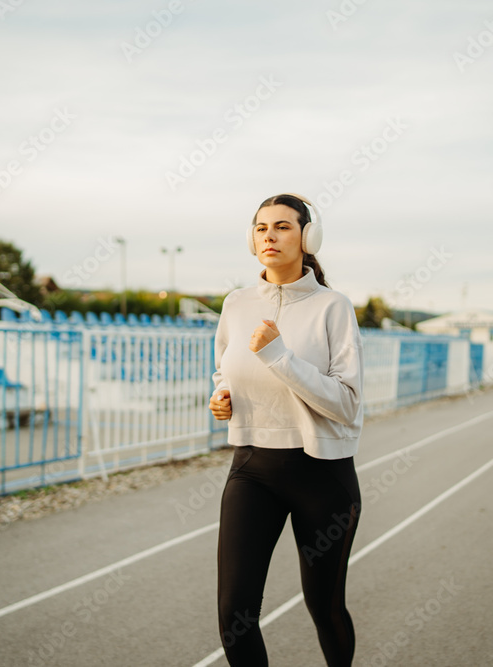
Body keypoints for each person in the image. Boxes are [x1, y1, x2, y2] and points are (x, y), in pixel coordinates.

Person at [208, 193, 365, 666]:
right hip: (252, 468)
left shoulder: (332, 307)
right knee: (234, 613)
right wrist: (221, 397)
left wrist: (280, 357)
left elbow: (348, 404)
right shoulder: (236, 304)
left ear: (307, 237)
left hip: (322, 475)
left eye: (282, 227)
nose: (270, 236)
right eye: (261, 228)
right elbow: (225, 370)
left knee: (324, 606)